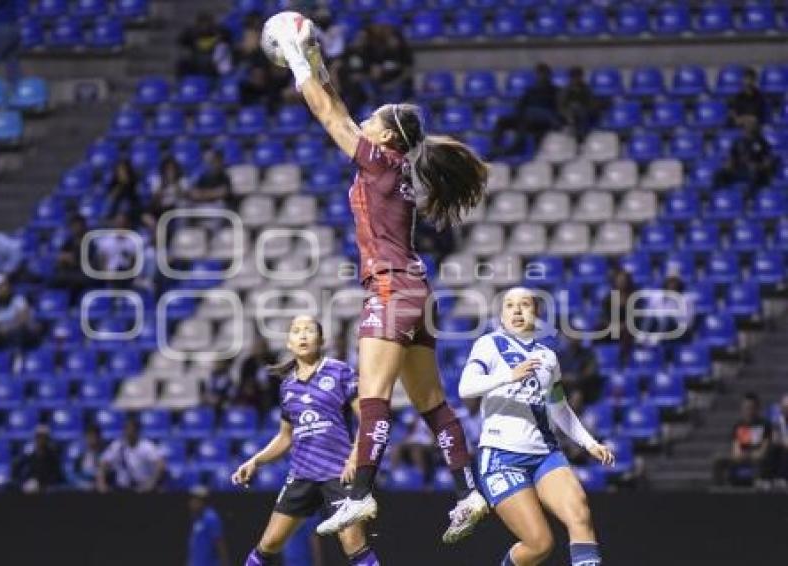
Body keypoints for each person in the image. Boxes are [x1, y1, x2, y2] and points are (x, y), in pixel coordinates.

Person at [273, 24, 489, 542]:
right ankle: (468, 491)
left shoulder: (379, 161)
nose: (364, 122)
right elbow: (343, 109)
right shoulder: (393, 164)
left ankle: (359, 491)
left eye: (374, 120)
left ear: (387, 136)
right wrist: (317, 58)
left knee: (374, 395)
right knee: (431, 401)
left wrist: (295, 59)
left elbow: (329, 115)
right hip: (416, 289)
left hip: (391, 288)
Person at [459, 287, 615, 566]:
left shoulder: (548, 357)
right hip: (501, 457)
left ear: (537, 313)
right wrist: (508, 376)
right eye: (510, 305)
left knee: (580, 515)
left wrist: (589, 442)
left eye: (525, 305)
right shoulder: (488, 344)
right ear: (502, 315)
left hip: (545, 454)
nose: (517, 311)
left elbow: (559, 406)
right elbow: (465, 388)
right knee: (539, 544)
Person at [232, 315, 379, 566]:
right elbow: (285, 437)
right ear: (289, 343)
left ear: (320, 340)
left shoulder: (340, 372)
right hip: (302, 475)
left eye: (309, 330)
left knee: (353, 545)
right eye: (296, 331)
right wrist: (255, 461)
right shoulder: (287, 386)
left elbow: (367, 418)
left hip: (339, 473)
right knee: (269, 544)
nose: (302, 335)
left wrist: (356, 456)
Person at [492, 63, 563, 155]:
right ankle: (495, 148)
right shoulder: (531, 90)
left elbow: (556, 110)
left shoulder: (554, 91)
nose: (541, 77)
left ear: (548, 76)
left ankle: (515, 148)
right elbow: (520, 106)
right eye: (539, 74)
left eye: (543, 74)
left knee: (525, 120)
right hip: (526, 116)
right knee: (502, 121)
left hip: (541, 121)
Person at [713, 393, 774, 488]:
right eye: (745, 408)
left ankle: (757, 487)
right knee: (718, 459)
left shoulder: (765, 425)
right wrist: (738, 455)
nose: (748, 411)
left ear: (757, 409)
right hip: (742, 457)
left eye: (750, 408)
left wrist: (751, 455)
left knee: (759, 460)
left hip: (757, 458)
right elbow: (735, 448)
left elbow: (763, 450)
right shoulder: (738, 426)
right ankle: (718, 490)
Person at [97, 415, 167, 492]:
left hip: (142, 487)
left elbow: (161, 466)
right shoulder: (118, 445)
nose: (128, 432)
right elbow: (103, 463)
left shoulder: (147, 447)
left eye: (131, 430)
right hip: (121, 488)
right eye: (126, 429)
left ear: (137, 431)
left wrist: (151, 483)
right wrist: (101, 483)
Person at [716, 116, 776, 189]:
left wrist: (758, 166)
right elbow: (731, 159)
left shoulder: (762, 143)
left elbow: (768, 163)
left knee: (755, 176)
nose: (749, 126)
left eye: (751, 124)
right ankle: (722, 196)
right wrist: (728, 166)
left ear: (756, 127)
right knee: (719, 175)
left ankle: (749, 198)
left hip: (755, 171)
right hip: (739, 170)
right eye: (747, 125)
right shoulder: (737, 143)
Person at [0, 276, 41, 350]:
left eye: (4, 286)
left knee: (18, 332)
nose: (3, 290)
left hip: (23, 332)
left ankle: (18, 356)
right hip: (4, 333)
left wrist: (7, 328)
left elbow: (23, 319)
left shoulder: (18, 299)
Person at [53, 215, 95, 304]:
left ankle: (72, 305)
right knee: (53, 279)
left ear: (83, 226)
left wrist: (74, 259)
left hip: (85, 274)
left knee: (75, 282)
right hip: (69, 272)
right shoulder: (68, 242)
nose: (75, 228)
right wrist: (63, 259)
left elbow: (89, 262)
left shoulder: (89, 241)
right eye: (73, 225)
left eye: (77, 225)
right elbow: (61, 257)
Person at [11, 425, 65, 493]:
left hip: (48, 484)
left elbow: (57, 473)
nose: (41, 440)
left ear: (47, 439)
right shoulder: (29, 453)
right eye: (39, 437)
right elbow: (18, 465)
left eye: (43, 437)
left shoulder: (53, 454)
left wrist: (46, 484)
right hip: (33, 482)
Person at [177, 13, 232, 78]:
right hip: (196, 60)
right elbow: (180, 41)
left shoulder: (220, 32)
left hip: (213, 62)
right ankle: (184, 83)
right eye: (202, 23)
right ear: (198, 24)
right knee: (182, 63)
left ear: (212, 23)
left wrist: (219, 35)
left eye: (207, 23)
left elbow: (228, 39)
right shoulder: (191, 33)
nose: (205, 26)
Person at [188, 486, 231, 566]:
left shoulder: (211, 517)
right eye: (192, 499)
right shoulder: (197, 518)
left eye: (196, 500)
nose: (192, 503)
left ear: (203, 501)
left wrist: (225, 563)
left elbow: (219, 543)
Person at [558, 66, 598, 143]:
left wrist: (586, 109)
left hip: (584, 113)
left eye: (578, 77)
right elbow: (561, 106)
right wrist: (567, 113)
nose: (577, 79)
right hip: (569, 114)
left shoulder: (586, 89)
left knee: (577, 107)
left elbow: (592, 104)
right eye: (574, 77)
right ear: (571, 78)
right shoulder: (566, 90)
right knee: (574, 106)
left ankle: (579, 133)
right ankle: (573, 127)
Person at [104, 159, 143, 227]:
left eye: (123, 170)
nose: (121, 173)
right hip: (116, 214)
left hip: (133, 214)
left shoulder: (134, 183)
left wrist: (127, 183)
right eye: (119, 171)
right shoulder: (114, 185)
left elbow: (137, 202)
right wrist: (121, 185)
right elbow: (110, 200)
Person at [67, 425, 104, 491]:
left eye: (95, 437)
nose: (93, 440)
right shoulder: (77, 451)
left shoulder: (104, 452)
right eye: (90, 436)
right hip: (80, 488)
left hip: (98, 486)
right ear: (85, 437)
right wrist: (83, 484)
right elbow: (70, 473)